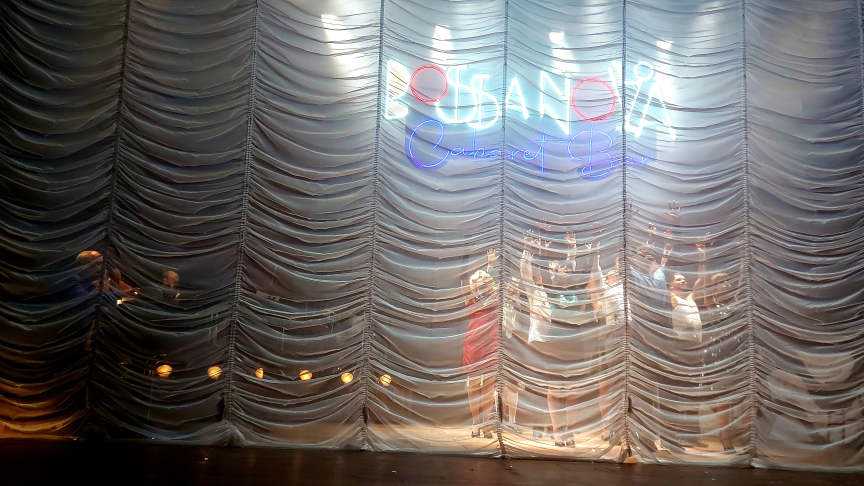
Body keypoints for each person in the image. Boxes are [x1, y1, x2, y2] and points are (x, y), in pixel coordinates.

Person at [587, 248, 627, 443]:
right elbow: (596, 276)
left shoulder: (625, 289)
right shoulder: (604, 292)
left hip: (629, 336)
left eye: (617, 273)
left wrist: (621, 267)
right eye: (612, 274)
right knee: (607, 386)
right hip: (610, 339)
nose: (615, 275)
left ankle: (624, 426)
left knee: (626, 385)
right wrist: (595, 256)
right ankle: (607, 426)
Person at [462, 249, 498, 439]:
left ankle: (486, 423)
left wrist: (490, 266)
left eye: (484, 279)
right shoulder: (470, 298)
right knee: (474, 385)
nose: (481, 281)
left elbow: (494, 283)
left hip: (492, 342)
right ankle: (476, 423)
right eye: (477, 279)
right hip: (474, 343)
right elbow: (463, 282)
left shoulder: (495, 296)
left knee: (489, 387)